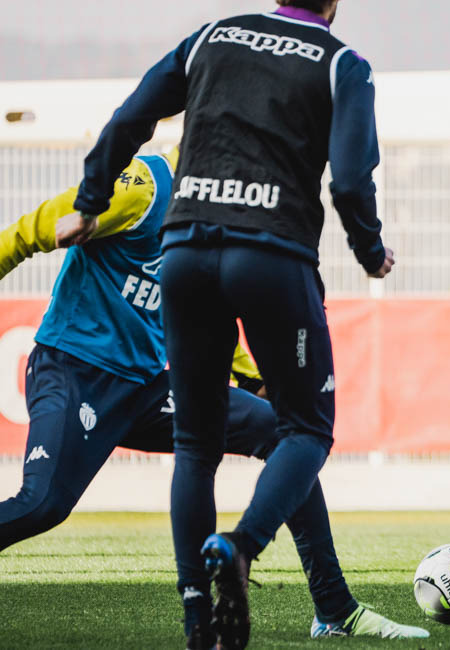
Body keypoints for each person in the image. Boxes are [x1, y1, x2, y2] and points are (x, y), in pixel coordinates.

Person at [69, 1, 396, 646]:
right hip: (272, 257)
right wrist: (370, 249)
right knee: (306, 429)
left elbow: (131, 117)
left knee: (196, 445)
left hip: (185, 250)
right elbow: (351, 181)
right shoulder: (343, 64)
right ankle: (241, 547)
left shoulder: (212, 37)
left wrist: (90, 199)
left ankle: (198, 618)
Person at [0, 150, 426, 643]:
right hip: (73, 371)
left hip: (146, 387)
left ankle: (334, 609)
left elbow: (207, 313)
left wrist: (251, 377)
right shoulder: (144, 187)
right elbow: (25, 232)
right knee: (43, 504)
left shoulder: (219, 217)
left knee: (282, 434)